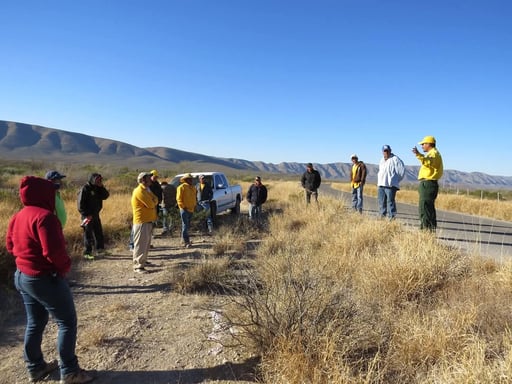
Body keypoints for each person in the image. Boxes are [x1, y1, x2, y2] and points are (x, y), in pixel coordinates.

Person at [6, 176, 95, 384]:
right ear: (44, 193)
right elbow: (54, 252)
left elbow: (11, 246)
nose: (54, 195)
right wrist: (63, 269)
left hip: (23, 276)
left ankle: (35, 367)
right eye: (52, 192)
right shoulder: (45, 217)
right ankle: (70, 372)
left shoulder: (18, 216)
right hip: (44, 278)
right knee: (66, 322)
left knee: (35, 322)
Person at [412, 135, 444, 232]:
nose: (422, 146)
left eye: (423, 144)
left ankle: (425, 230)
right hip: (428, 184)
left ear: (429, 144)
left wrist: (418, 154)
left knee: (424, 207)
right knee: (428, 207)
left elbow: (428, 162)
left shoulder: (433, 154)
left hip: (428, 184)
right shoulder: (433, 153)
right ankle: (430, 230)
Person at [77, 173, 110, 260]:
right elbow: (80, 205)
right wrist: (86, 215)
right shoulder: (85, 188)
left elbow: (106, 196)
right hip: (87, 215)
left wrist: (101, 186)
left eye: (100, 179)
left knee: (98, 232)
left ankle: (100, 249)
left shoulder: (98, 188)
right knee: (88, 234)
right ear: (92, 179)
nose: (99, 181)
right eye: (97, 179)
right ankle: (87, 252)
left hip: (95, 214)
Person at [131, 172, 159, 273]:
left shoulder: (147, 190)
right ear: (143, 180)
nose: (150, 180)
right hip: (141, 221)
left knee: (146, 243)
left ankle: (143, 261)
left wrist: (154, 200)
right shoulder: (139, 191)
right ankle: (138, 266)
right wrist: (154, 201)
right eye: (148, 178)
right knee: (140, 244)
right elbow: (151, 204)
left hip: (148, 220)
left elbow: (156, 199)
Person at [377, 145, 406, 220]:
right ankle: (382, 217)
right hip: (381, 184)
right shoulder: (381, 160)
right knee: (381, 201)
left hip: (390, 185)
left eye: (387, 150)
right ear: (382, 152)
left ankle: (391, 218)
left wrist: (395, 180)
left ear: (390, 150)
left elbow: (401, 172)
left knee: (390, 202)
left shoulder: (395, 159)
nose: (386, 152)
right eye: (384, 151)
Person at [176, 173, 197, 248]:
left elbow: (194, 197)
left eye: (191, 179)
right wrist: (183, 207)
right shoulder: (181, 187)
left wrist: (195, 205)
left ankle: (183, 240)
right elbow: (179, 199)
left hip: (191, 209)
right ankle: (186, 241)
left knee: (187, 225)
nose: (191, 180)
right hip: (184, 209)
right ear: (186, 180)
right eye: (189, 179)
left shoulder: (193, 188)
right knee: (185, 225)